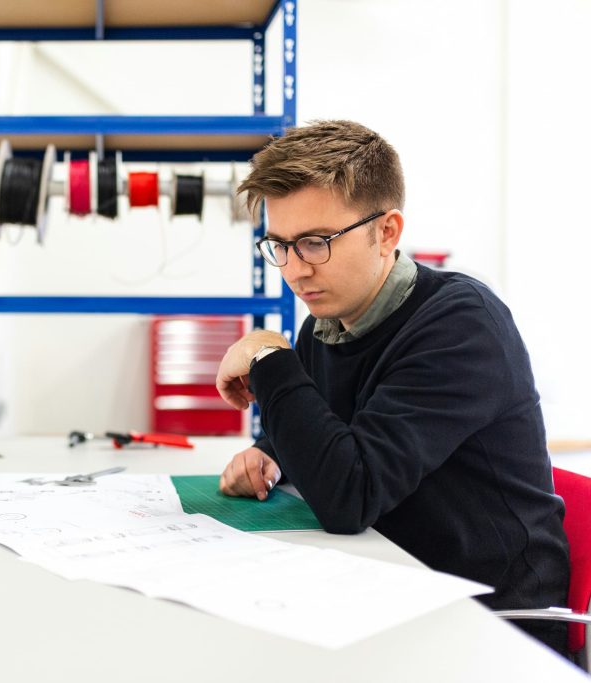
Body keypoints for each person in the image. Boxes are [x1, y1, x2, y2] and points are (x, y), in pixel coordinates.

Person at [215, 120, 570, 656]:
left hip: (488, 628)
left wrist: (268, 353)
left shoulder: (460, 325)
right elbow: (339, 429)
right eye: (280, 245)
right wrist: (269, 455)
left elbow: (348, 495)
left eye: (315, 243)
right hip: (384, 589)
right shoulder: (327, 323)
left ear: (387, 232)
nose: (293, 270)